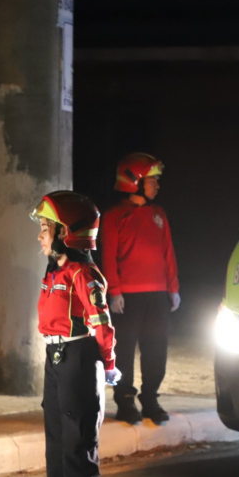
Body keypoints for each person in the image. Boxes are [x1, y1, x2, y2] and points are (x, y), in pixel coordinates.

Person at [20, 190, 121, 477]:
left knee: (78, 452)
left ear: (67, 232)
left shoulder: (83, 273)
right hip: (56, 357)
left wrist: (109, 364)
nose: (40, 235)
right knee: (57, 448)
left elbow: (101, 323)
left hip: (79, 359)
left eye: (46, 228)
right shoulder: (56, 269)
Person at [101, 153, 180, 426]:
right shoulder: (114, 216)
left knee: (157, 348)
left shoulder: (159, 214)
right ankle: (124, 400)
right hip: (128, 297)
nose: (157, 186)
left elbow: (167, 252)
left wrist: (173, 288)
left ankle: (150, 399)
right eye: (152, 181)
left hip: (157, 294)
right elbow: (108, 256)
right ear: (134, 181)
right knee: (123, 351)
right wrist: (115, 291)